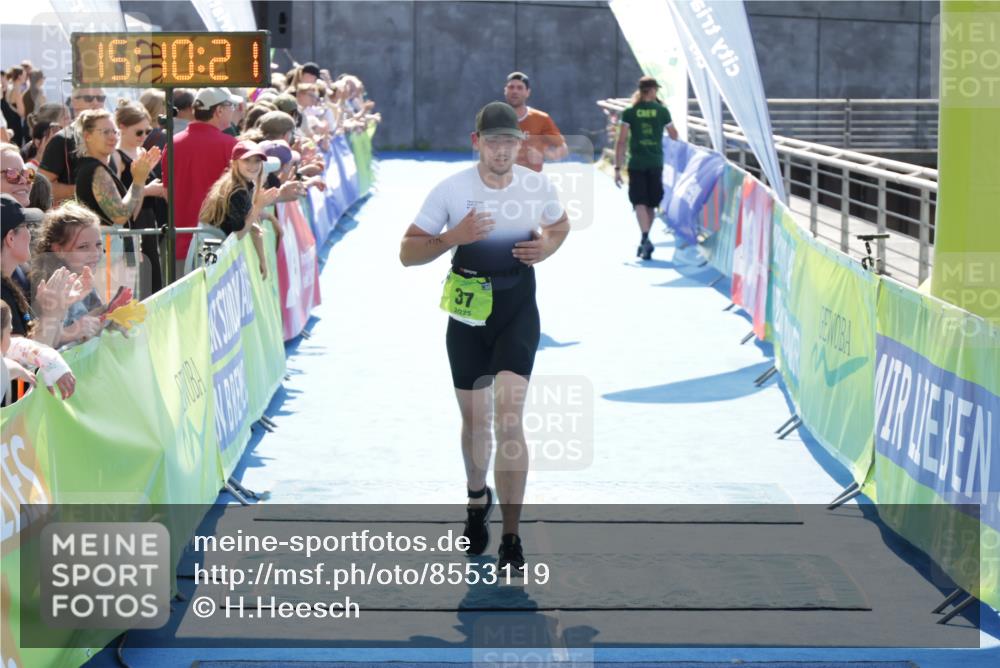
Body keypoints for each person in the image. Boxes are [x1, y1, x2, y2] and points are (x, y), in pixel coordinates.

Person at [399, 102, 570, 575]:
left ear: (521, 144)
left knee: (509, 420)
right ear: (477, 143)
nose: (501, 150)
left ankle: (512, 536)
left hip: (517, 309)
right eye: (492, 141)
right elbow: (407, 254)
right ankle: (477, 498)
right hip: (468, 317)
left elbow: (560, 225)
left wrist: (547, 247)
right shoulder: (451, 190)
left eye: (509, 142)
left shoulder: (536, 184)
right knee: (476, 423)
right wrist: (454, 235)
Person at [163, 87, 239, 272]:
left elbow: (167, 193)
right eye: (231, 106)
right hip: (217, 242)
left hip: (180, 244)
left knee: (188, 300)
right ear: (219, 110)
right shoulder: (230, 145)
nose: (234, 110)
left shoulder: (172, 144)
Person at [1, 197, 89, 348]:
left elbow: (45, 346)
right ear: (10, 238)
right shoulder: (2, 293)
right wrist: (51, 313)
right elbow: (27, 360)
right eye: (26, 227)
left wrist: (59, 307)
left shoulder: (8, 285)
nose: (30, 234)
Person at [613, 75, 678, 261]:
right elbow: (674, 135)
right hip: (656, 162)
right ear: (653, 90)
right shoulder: (662, 111)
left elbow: (621, 141)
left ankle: (645, 237)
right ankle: (646, 237)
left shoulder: (630, 112)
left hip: (636, 163)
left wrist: (618, 167)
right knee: (651, 203)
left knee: (639, 202)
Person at [198, 140, 279, 278]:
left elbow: (252, 225)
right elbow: (239, 234)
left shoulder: (244, 184)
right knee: (203, 288)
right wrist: (258, 206)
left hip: (211, 244)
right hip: (209, 246)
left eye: (257, 161)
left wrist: (262, 260)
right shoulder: (236, 190)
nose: (253, 166)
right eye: (247, 160)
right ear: (235, 163)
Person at [72, 108, 160, 228]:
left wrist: (141, 177)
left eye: (115, 132)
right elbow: (120, 216)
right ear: (87, 136)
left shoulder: (99, 168)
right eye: (105, 132)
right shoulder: (95, 170)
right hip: (105, 244)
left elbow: (131, 214)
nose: (113, 137)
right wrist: (138, 180)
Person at [115, 100, 166, 294]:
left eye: (147, 132)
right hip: (131, 224)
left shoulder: (142, 152)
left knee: (153, 281)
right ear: (122, 128)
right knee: (134, 285)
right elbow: (119, 200)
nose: (144, 136)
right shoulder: (117, 157)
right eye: (139, 132)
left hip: (149, 221)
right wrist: (147, 189)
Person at [37, 86, 106, 204]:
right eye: (88, 98)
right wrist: (84, 190)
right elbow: (42, 186)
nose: (95, 102)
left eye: (101, 98)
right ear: (74, 102)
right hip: (76, 217)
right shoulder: (62, 139)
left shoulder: (113, 136)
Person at [503, 72, 568, 172]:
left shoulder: (541, 119)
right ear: (505, 90)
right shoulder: (494, 117)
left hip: (531, 181)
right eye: (511, 87)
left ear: (528, 92)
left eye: (520, 88)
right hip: (501, 181)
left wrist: (545, 156)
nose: (515, 91)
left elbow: (562, 148)